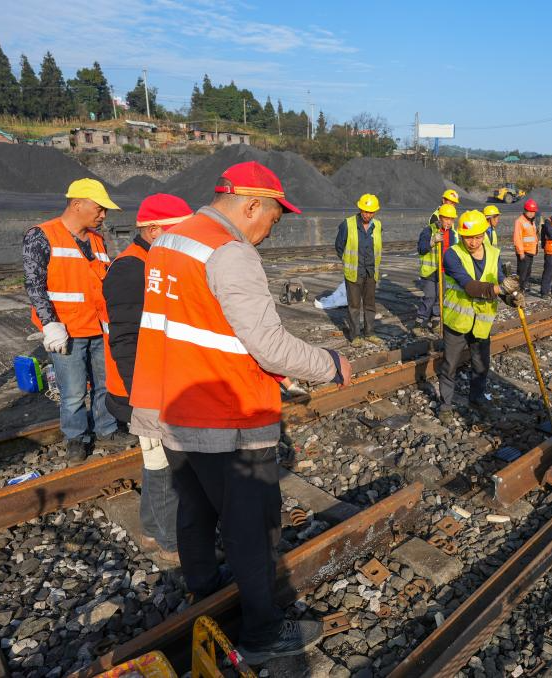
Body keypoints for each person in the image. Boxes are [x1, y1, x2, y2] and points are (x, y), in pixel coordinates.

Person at [129, 161, 353, 665]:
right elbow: (269, 345)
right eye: (273, 218)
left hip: (172, 405)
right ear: (251, 204)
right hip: (224, 416)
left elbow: (197, 324)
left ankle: (205, 593)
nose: (270, 231)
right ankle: (262, 631)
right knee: (251, 527)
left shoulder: (170, 240)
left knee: (195, 510)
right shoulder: (230, 252)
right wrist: (331, 364)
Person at [102, 194, 193, 564]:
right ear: (153, 230)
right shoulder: (130, 269)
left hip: (151, 382)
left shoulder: (152, 261)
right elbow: (126, 340)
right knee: (165, 465)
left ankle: (153, 530)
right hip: (140, 387)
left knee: (155, 460)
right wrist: (141, 398)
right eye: (178, 231)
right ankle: (173, 544)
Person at [23, 178, 137, 464]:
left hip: (99, 327)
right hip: (66, 329)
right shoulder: (42, 235)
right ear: (77, 204)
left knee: (104, 384)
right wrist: (49, 324)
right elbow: (34, 283)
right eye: (99, 209)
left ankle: (107, 430)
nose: (103, 215)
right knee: (73, 391)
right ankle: (76, 438)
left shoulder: (97, 239)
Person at [437, 210, 521, 425]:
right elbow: (469, 286)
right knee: (450, 365)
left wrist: (513, 298)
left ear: (484, 233)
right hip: (457, 320)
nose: (473, 242)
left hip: (481, 322)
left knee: (481, 364)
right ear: (461, 235)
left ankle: (476, 398)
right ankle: (446, 406)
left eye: (477, 236)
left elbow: (501, 282)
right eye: (468, 237)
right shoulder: (452, 254)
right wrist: (500, 288)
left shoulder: (493, 253)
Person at [335, 193, 383, 346]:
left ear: (375, 212)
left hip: (371, 271)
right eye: (365, 211)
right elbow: (339, 247)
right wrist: (347, 261)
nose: (367, 215)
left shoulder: (378, 226)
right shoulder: (347, 224)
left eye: (371, 212)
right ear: (360, 209)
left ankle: (369, 332)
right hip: (354, 272)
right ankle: (355, 335)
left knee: (370, 305)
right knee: (354, 306)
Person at [414, 203, 457, 337]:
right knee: (430, 297)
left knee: (440, 298)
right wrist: (432, 242)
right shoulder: (429, 231)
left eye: (451, 219)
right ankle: (419, 324)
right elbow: (421, 248)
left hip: (445, 272)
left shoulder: (453, 234)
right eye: (446, 218)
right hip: (430, 271)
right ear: (440, 218)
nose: (449, 222)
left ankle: (436, 323)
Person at [512, 198, 539, 291]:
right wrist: (521, 252)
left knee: (528, 272)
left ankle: (524, 287)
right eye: (529, 211)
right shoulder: (519, 221)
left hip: (530, 251)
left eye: (533, 211)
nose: (531, 213)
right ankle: (519, 290)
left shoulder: (531, 221)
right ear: (525, 210)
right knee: (522, 273)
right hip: (524, 252)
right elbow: (517, 238)